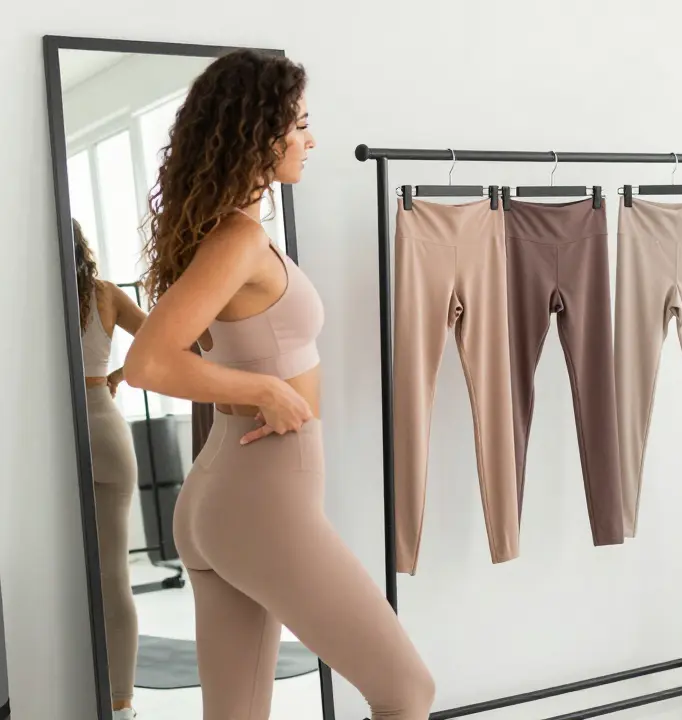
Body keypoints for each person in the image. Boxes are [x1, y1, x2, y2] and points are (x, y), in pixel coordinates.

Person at [123, 50, 435, 720]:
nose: (310, 138)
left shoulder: (232, 235)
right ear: (256, 133)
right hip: (262, 498)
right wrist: (264, 390)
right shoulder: (236, 239)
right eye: (298, 124)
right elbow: (148, 363)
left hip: (223, 492)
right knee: (406, 690)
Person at [75, 218, 145, 720]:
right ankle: (120, 705)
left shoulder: (33, 297)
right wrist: (119, 373)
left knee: (63, 569)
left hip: (54, 434)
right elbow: (176, 338)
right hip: (104, 422)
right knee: (114, 575)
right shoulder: (107, 295)